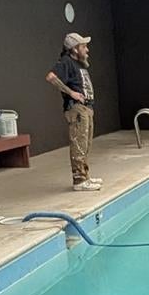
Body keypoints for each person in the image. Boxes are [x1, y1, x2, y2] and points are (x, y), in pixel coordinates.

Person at [45, 32, 101, 191]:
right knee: (79, 144)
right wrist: (71, 93)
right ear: (75, 49)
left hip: (86, 108)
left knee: (86, 144)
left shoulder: (79, 64)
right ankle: (79, 180)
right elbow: (51, 77)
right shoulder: (66, 61)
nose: (87, 50)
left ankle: (85, 176)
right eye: (83, 46)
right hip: (76, 108)